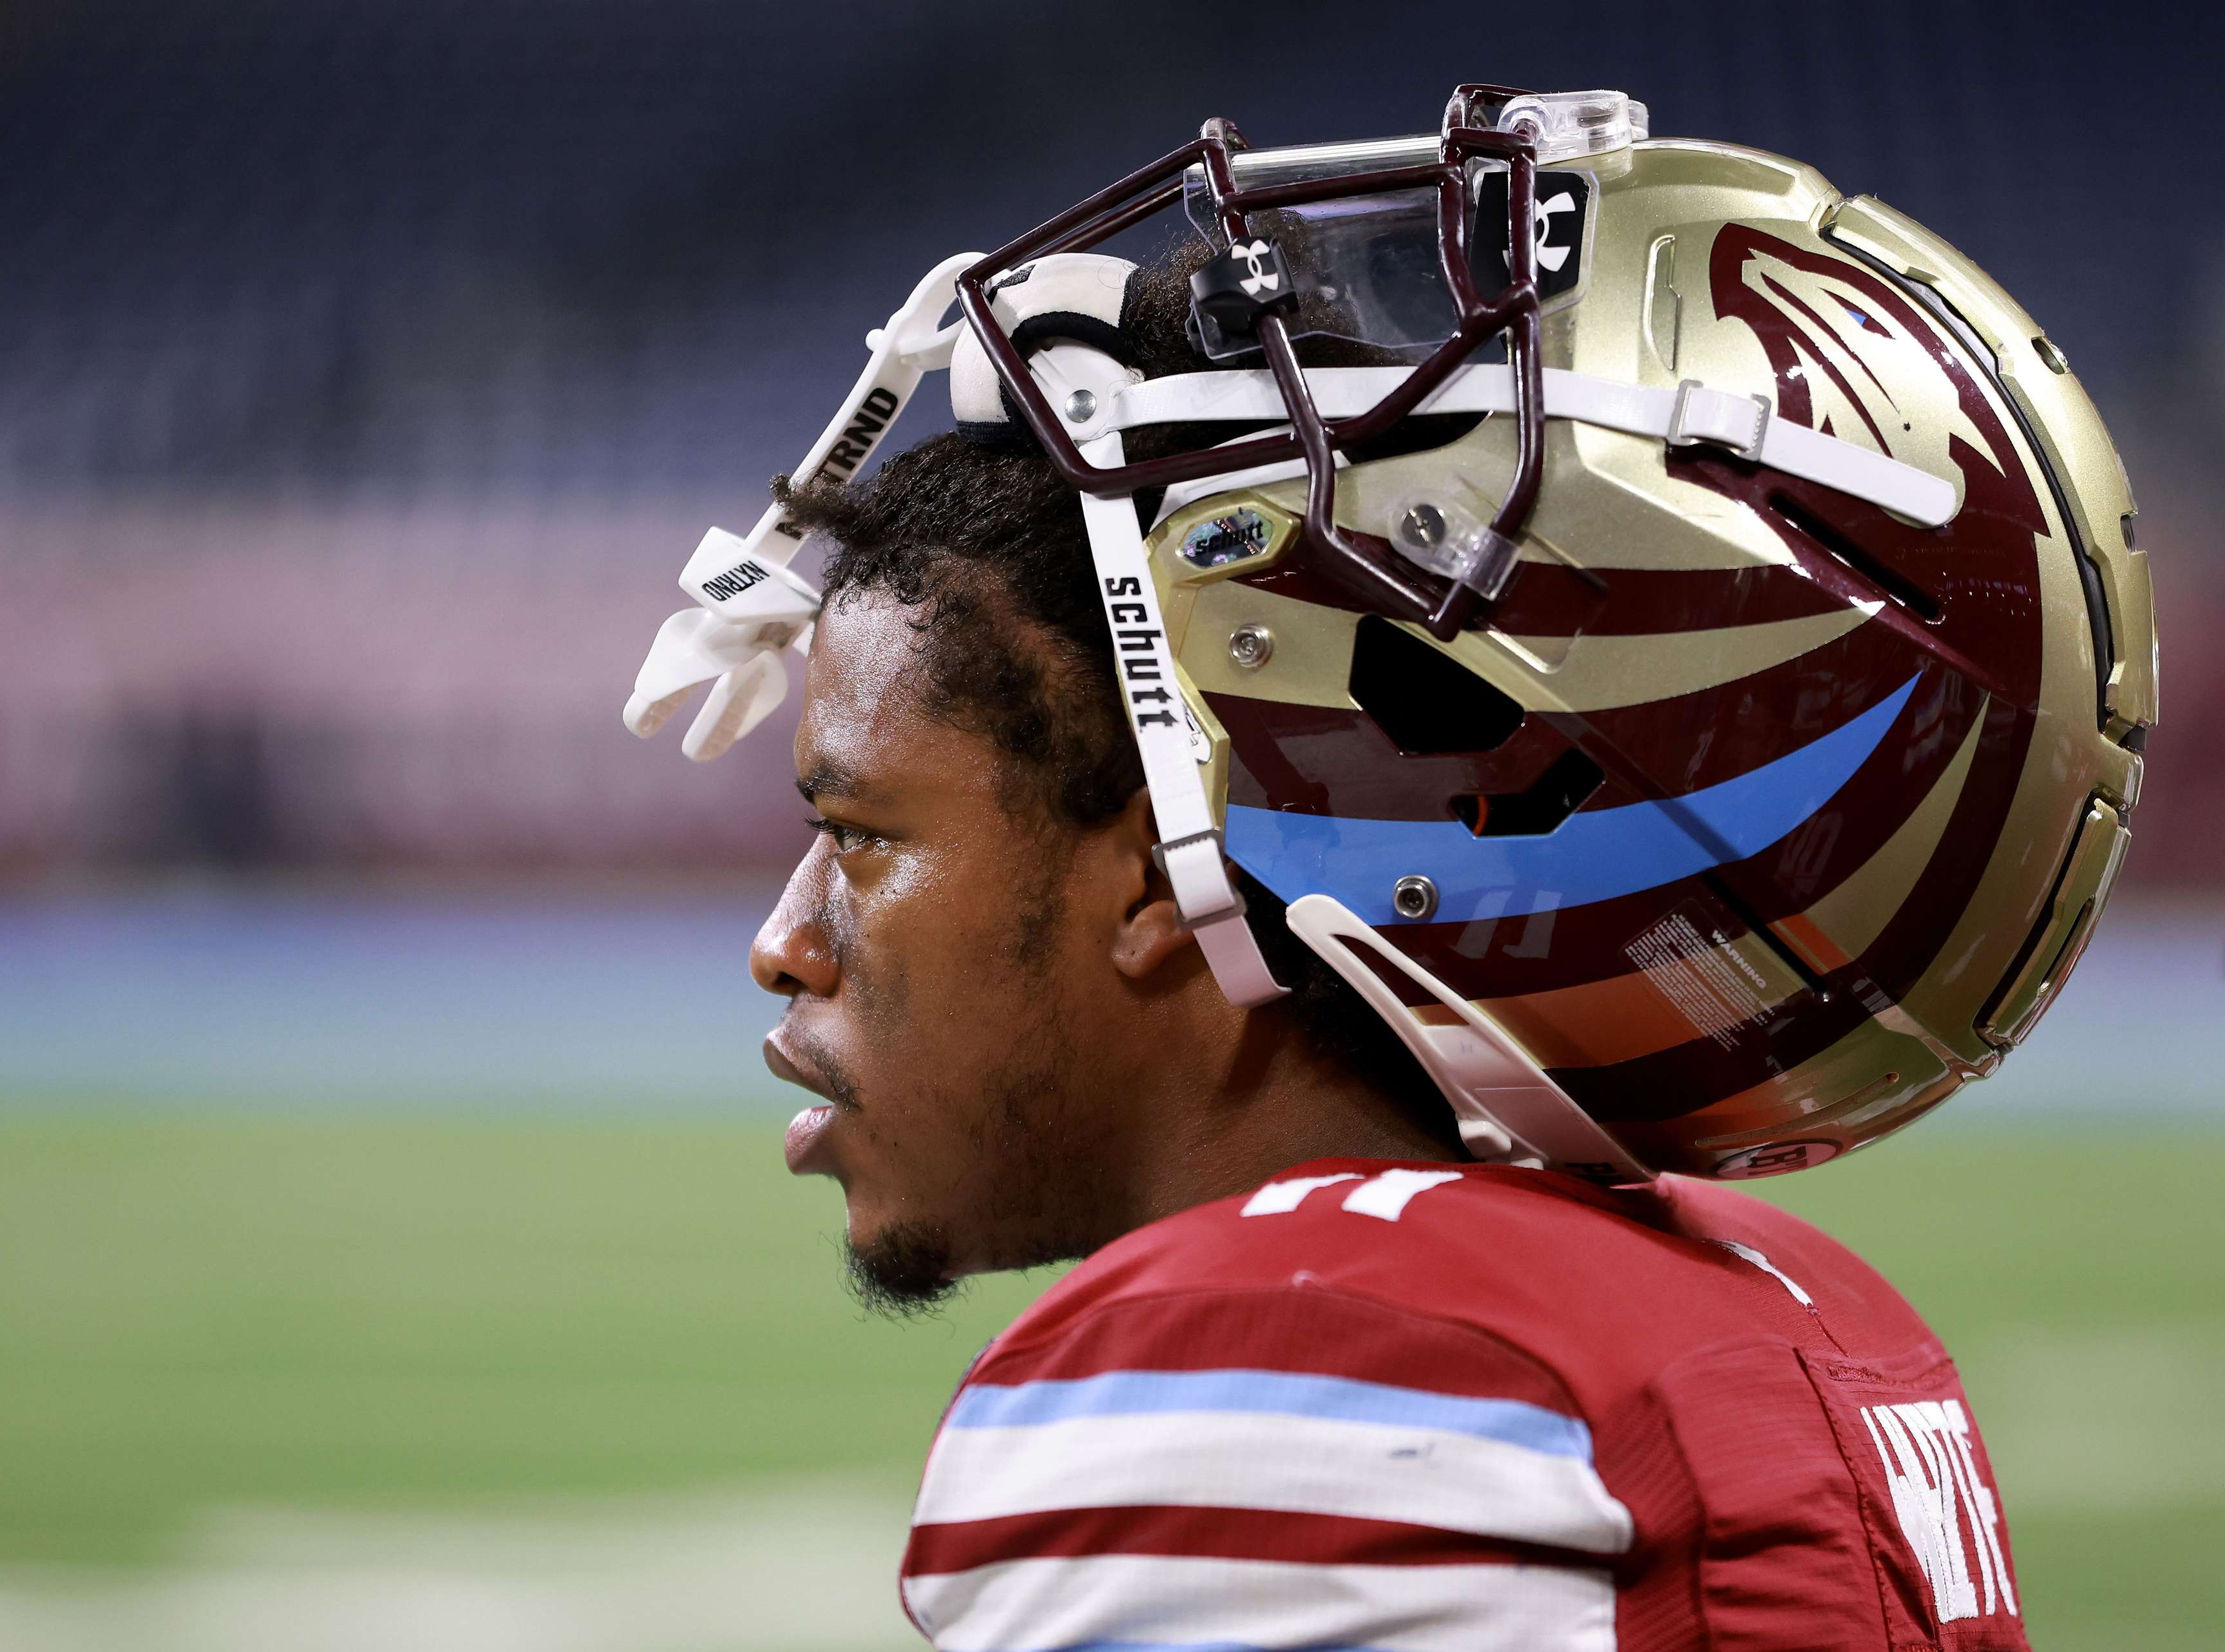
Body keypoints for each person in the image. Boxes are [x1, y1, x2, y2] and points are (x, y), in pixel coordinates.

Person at [629, 86, 2153, 1652]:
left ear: (1166, 864)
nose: (785, 939)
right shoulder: (1817, 1312)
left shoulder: (1284, 1375)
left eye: (862, 833)